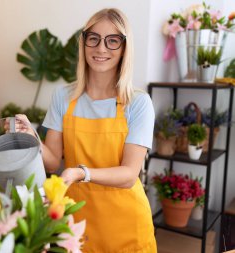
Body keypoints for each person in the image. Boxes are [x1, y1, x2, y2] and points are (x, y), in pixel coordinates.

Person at [12, 8, 156, 252]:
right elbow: (51, 162)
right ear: (84, 43)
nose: (101, 48)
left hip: (126, 226)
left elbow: (129, 174)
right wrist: (31, 136)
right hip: (76, 222)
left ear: (124, 48)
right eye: (94, 38)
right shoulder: (63, 97)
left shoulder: (137, 103)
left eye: (112, 41)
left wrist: (80, 173)